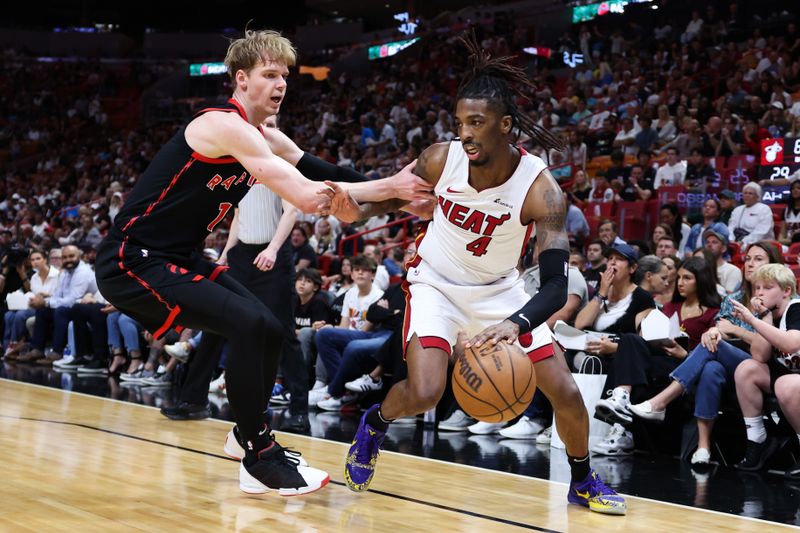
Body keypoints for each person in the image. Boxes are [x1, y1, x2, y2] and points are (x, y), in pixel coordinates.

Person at [94, 29, 429, 497]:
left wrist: (397, 190)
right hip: (132, 259)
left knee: (269, 326)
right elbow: (307, 194)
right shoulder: (222, 126)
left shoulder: (266, 135)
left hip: (179, 256)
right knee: (249, 325)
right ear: (241, 80)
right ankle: (258, 452)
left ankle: (243, 433)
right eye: (269, 74)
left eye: (285, 75)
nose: (281, 84)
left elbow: (322, 172)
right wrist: (392, 190)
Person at [343, 34, 627, 515]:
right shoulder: (440, 159)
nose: (466, 133)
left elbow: (556, 285)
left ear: (507, 126)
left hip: (501, 293)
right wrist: (353, 208)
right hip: (436, 284)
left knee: (565, 390)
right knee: (426, 392)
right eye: (460, 122)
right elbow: (390, 199)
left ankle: (581, 480)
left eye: (476, 122)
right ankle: (375, 422)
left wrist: (514, 323)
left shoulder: (541, 190)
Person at [630, 242, 784, 464]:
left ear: (774, 265)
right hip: (733, 365)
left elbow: (769, 347)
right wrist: (712, 331)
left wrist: (736, 330)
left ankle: (662, 401)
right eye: (748, 258)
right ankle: (703, 447)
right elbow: (721, 328)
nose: (750, 263)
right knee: (711, 364)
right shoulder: (735, 299)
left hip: (764, 369)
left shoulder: (778, 300)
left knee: (714, 353)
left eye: (758, 259)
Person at [731, 264, 800, 477]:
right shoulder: (768, 315)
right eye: (757, 287)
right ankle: (756, 439)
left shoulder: (796, 308)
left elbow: (791, 344)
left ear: (787, 291)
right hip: (792, 375)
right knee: (747, 369)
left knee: (785, 384)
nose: (760, 292)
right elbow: (759, 356)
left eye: (768, 287)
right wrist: (764, 318)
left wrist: (751, 320)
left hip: (793, 380)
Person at [728, 182, 774, 247]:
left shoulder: (764, 209)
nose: (747, 195)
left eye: (750, 193)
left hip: (759, 243)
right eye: (745, 193)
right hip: (737, 241)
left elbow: (761, 232)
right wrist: (731, 240)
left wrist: (743, 242)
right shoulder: (737, 210)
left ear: (757, 196)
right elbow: (731, 227)